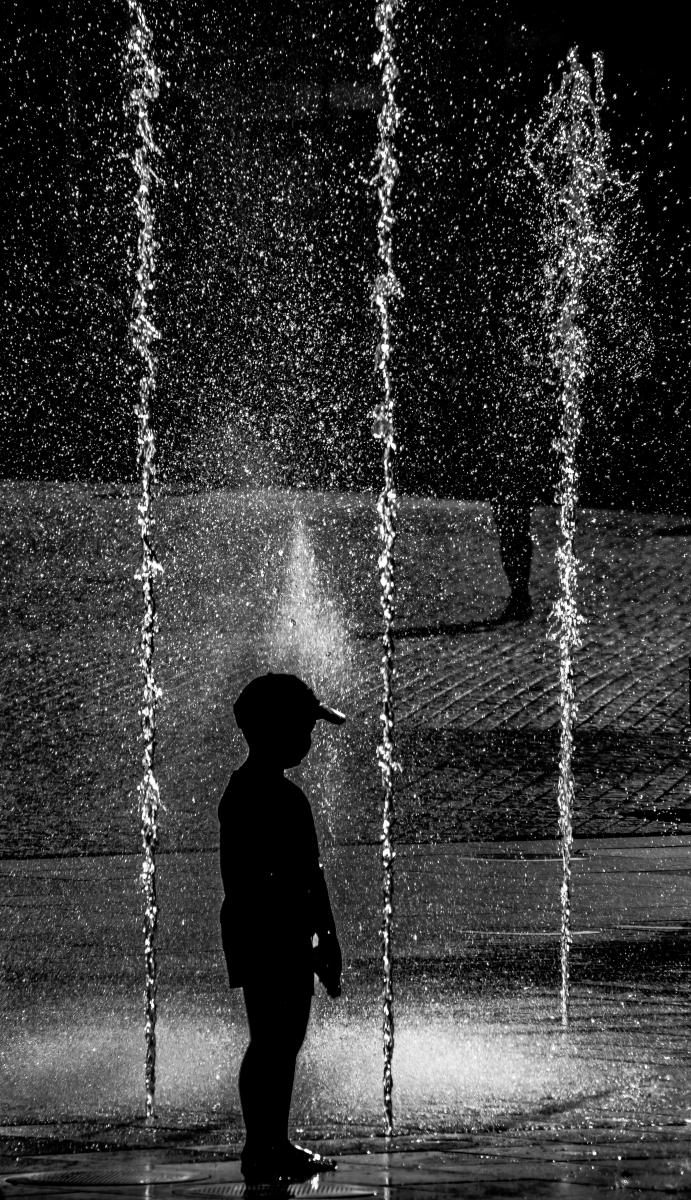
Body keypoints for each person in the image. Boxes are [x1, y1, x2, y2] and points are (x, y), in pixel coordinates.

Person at [218, 672, 345, 1185]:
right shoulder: (278, 798)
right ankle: (264, 1144)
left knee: (275, 1039)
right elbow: (308, 879)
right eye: (304, 728)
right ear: (277, 731)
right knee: (276, 1039)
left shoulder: (245, 791)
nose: (310, 739)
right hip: (275, 933)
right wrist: (325, 939)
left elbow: (298, 876)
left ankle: (269, 1140)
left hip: (256, 929)